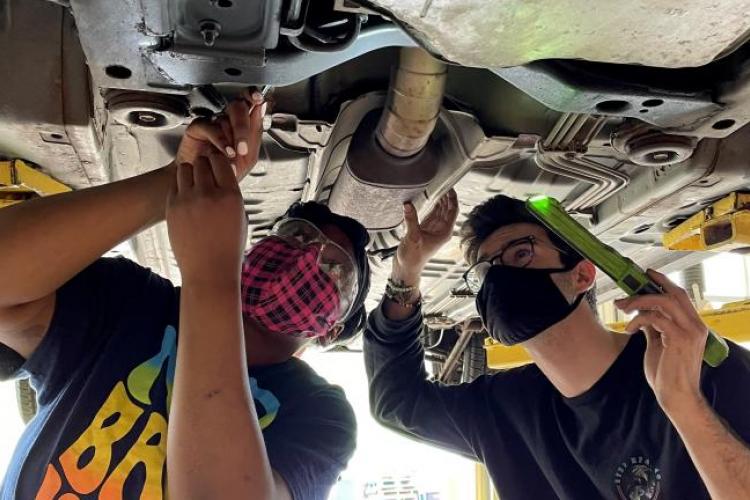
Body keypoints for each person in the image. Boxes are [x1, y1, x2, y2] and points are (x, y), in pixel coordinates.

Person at [0, 90, 370, 500]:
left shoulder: (318, 415)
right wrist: (176, 182)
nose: (308, 254)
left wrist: (211, 274)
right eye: (298, 235)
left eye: (336, 269)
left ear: (329, 332)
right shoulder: (133, 303)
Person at [364, 191, 750, 500]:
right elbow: (396, 401)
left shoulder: (699, 369)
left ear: (582, 275)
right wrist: (406, 273)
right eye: (484, 275)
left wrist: (684, 404)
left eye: (520, 253)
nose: (499, 279)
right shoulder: (504, 411)